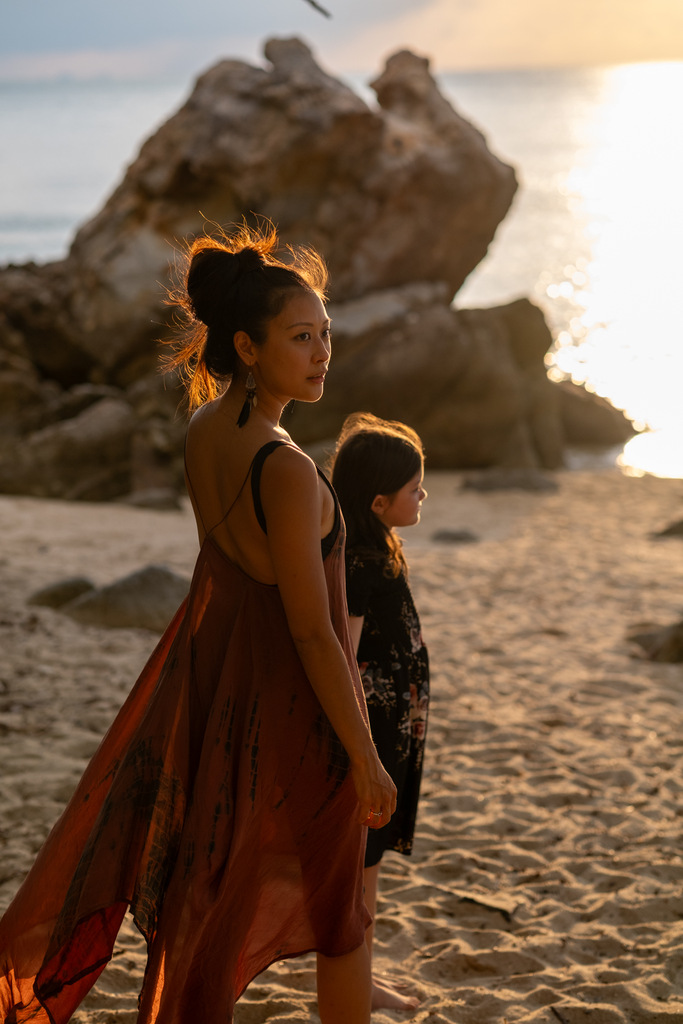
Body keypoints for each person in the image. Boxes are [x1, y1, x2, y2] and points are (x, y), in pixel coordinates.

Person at [0, 224, 396, 1024]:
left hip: (218, 686)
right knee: (341, 909)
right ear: (247, 348)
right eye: (299, 337)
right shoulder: (284, 468)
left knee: (212, 884)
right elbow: (313, 631)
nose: (321, 352)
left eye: (324, 333)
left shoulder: (203, 431)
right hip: (291, 704)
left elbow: (230, 567)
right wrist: (364, 754)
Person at [330, 413, 430, 1013]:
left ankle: (363, 978)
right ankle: (352, 985)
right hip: (377, 729)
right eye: (415, 488)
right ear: (378, 501)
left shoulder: (379, 546)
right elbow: (345, 650)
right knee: (361, 864)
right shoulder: (359, 561)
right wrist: (364, 747)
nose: (423, 495)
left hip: (398, 724)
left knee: (372, 863)